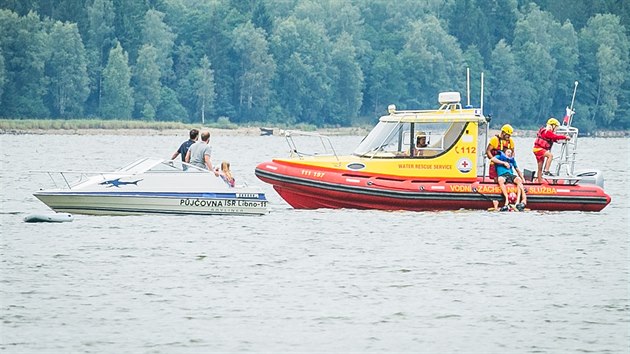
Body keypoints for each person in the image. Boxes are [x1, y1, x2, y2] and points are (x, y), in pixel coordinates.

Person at [532, 117, 570, 183]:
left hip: (537, 150)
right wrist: (565, 137)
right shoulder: (547, 132)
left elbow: (553, 138)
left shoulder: (547, 133)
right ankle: (546, 171)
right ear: (552, 126)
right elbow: (555, 136)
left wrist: (559, 140)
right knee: (550, 156)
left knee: (540, 168)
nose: (556, 129)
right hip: (539, 149)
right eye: (556, 127)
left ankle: (539, 182)